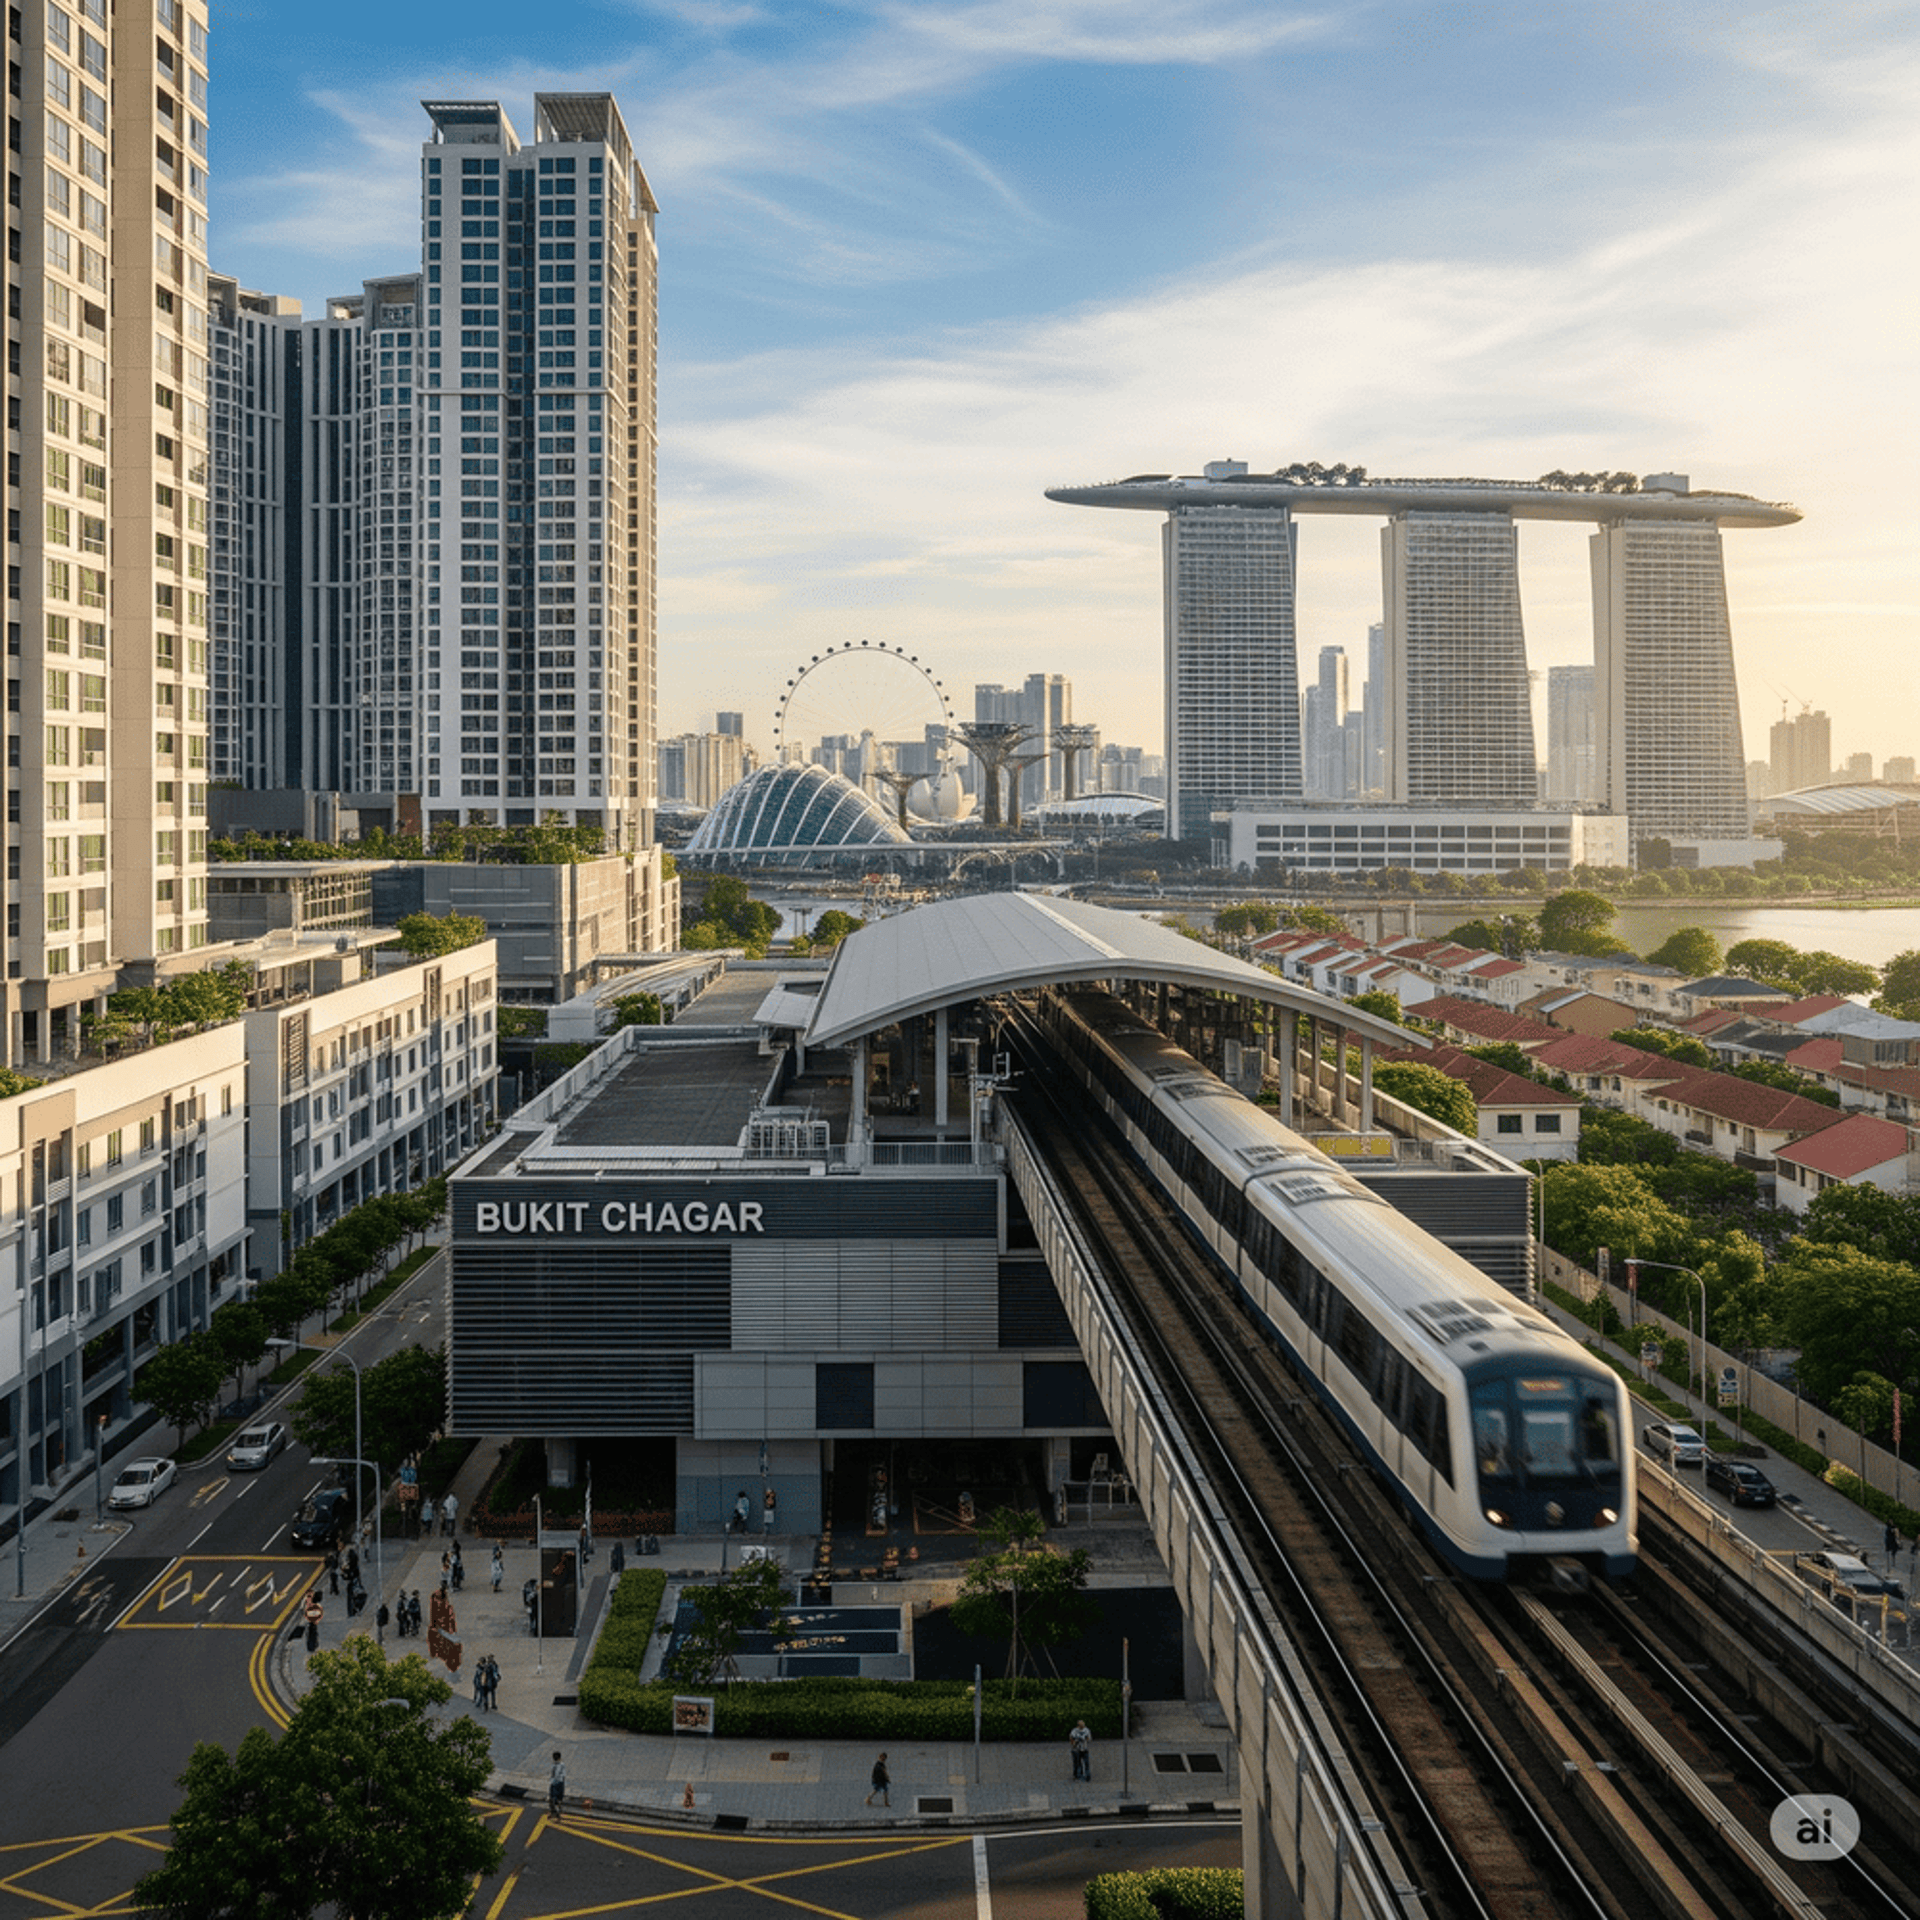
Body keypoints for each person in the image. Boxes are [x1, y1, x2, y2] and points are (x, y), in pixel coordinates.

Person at [303, 1588, 323, 1654]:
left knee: (312, 1632)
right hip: (313, 1623)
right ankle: (312, 1646)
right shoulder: (316, 1606)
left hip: (312, 1622)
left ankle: (312, 1646)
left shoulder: (311, 1605)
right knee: (313, 1632)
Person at [548, 1751, 566, 1819]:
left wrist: (552, 1781)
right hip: (560, 1782)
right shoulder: (562, 1764)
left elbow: (554, 1775)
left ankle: (556, 1813)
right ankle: (557, 1811)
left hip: (555, 1783)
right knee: (558, 1798)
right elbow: (563, 1775)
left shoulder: (555, 1765)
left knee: (553, 1798)